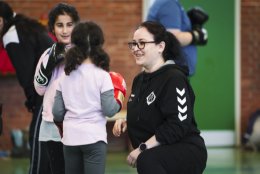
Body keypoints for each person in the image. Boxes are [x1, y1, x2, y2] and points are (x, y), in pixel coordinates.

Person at [112, 21, 207, 174]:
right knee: (147, 158)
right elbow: (151, 113)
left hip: (186, 151)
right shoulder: (139, 80)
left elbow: (177, 125)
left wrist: (142, 148)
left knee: (147, 159)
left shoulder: (174, 78)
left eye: (142, 43)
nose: (136, 49)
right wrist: (128, 122)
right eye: (134, 44)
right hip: (157, 151)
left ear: (160, 47)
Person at [52, 21, 127, 174]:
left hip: (70, 138)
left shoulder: (64, 77)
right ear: (99, 45)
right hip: (93, 138)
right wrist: (120, 95)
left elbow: (57, 113)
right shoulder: (102, 76)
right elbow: (109, 110)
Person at [0, 1, 54, 174]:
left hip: (46, 93)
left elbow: (26, 74)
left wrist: (32, 101)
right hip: (54, 90)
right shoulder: (25, 25)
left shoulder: (11, 34)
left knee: (37, 138)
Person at [34, 3, 80, 174]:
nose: (65, 30)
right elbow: (39, 89)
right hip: (52, 123)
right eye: (60, 25)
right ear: (53, 28)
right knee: (57, 169)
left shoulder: (85, 54)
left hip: (77, 122)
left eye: (69, 24)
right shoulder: (47, 55)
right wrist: (49, 66)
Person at [146, 0, 208, 76]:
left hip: (172, 72)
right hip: (171, 72)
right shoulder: (169, 3)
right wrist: (197, 35)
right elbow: (173, 38)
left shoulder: (168, 3)